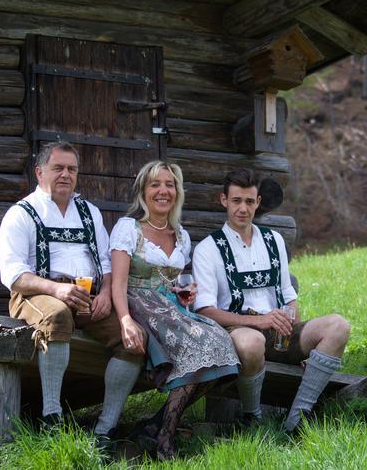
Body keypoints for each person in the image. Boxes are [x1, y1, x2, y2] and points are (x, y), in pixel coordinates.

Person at [0, 141, 141, 449]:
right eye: (58, 168)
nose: (66, 174)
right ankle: (52, 417)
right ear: (40, 172)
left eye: (72, 169)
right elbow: (13, 275)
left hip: (86, 295)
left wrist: (104, 292)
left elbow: (105, 262)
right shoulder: (21, 213)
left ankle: (106, 428)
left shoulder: (89, 213)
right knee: (57, 315)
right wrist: (56, 288)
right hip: (35, 294)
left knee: (131, 339)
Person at [193, 169, 351, 433]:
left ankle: (297, 418)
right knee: (252, 341)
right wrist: (259, 320)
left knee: (338, 326)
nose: (243, 208)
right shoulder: (208, 249)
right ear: (224, 200)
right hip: (238, 334)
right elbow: (206, 311)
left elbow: (289, 298)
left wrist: (299, 341)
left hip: (280, 335)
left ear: (258, 203)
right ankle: (252, 417)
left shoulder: (273, 240)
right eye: (236, 201)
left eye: (250, 201)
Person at [108, 160, 239, 459]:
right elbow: (118, 283)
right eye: (155, 184)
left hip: (170, 308)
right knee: (195, 350)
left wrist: (184, 296)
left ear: (177, 192)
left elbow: (176, 283)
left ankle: (156, 426)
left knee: (222, 345)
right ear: (143, 191)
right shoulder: (129, 228)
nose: (163, 191)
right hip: (139, 304)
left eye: (169, 185)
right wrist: (126, 319)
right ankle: (165, 439)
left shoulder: (180, 235)